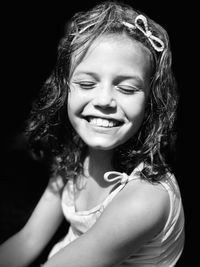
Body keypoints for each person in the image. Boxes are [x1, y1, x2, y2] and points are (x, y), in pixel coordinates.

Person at [0, 1, 185, 266]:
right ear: (65, 90)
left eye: (128, 89)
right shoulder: (76, 155)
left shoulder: (146, 198)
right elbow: (28, 240)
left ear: (151, 104)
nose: (104, 100)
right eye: (87, 83)